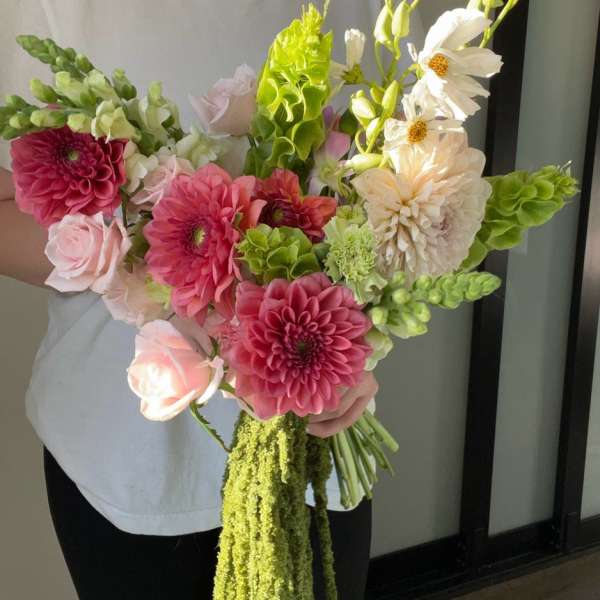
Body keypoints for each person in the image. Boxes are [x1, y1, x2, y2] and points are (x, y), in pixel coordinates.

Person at [0, 1, 420, 598]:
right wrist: (170, 273)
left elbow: (409, 185)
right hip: (124, 455)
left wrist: (360, 336)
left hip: (319, 438)